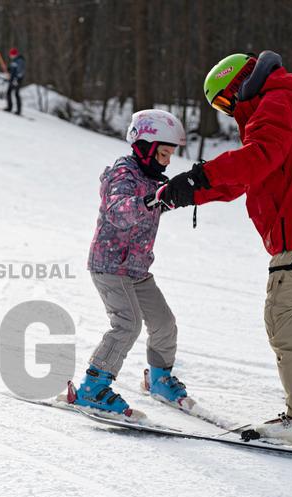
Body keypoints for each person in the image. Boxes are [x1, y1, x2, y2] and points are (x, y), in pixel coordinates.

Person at [153, 51, 292, 446]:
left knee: (282, 311)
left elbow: (258, 157)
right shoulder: (288, 100)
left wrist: (197, 178)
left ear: (236, 85)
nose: (228, 110)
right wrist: (188, 193)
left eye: (223, 101)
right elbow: (250, 174)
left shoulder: (274, 102)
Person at [65, 109, 190, 421]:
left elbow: (152, 204)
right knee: (128, 324)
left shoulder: (150, 178)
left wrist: (178, 194)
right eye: (163, 153)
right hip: (110, 264)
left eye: (170, 154)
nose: (167, 161)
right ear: (146, 146)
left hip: (136, 268)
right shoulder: (122, 175)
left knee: (164, 323)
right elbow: (120, 212)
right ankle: (93, 386)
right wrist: (155, 198)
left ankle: (160, 380)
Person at [5, 48, 25, 115]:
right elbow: (12, 69)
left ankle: (18, 111)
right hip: (12, 79)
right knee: (8, 92)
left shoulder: (20, 61)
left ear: (14, 54)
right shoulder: (13, 61)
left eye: (11, 55)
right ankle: (9, 107)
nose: (10, 56)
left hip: (17, 80)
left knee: (16, 94)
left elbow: (20, 71)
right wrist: (8, 70)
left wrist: (16, 79)